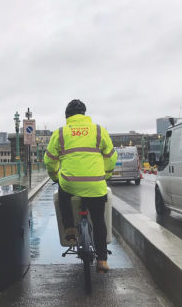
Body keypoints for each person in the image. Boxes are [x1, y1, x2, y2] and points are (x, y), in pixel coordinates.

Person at [44, 99, 117, 273]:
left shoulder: (60, 133)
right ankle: (102, 260)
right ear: (84, 114)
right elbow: (111, 157)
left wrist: (55, 176)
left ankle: (69, 227)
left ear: (67, 116)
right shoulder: (99, 130)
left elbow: (49, 160)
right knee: (99, 219)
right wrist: (105, 175)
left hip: (71, 184)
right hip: (95, 185)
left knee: (63, 192)